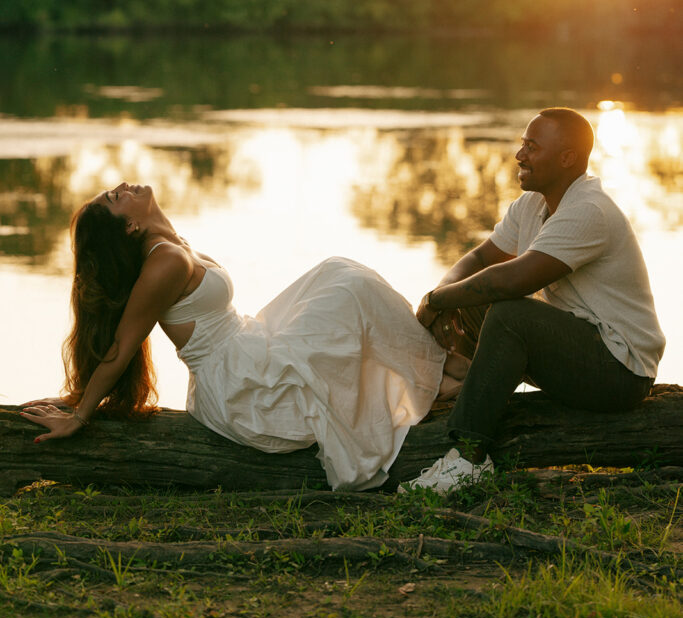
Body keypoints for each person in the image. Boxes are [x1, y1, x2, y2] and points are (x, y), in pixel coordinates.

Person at [21, 182, 468, 491]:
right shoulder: (165, 263)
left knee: (339, 275)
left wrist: (78, 401)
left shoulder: (171, 245)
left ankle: (434, 372)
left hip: (250, 344)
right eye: (117, 198)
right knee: (348, 288)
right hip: (241, 385)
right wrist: (79, 414)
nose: (125, 186)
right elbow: (122, 346)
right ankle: (442, 372)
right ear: (129, 227)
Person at [401, 107, 665, 495]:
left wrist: (435, 299)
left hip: (619, 371)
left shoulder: (588, 211)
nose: (519, 155)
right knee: (472, 295)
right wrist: (445, 298)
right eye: (522, 144)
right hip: (579, 349)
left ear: (566, 158)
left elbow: (514, 280)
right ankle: (461, 383)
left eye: (532, 146)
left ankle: (469, 459)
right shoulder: (532, 205)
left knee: (510, 313)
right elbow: (479, 260)